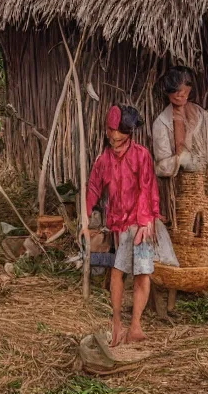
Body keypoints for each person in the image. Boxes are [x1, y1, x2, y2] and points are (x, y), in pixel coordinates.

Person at [86, 105, 160, 346]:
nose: (114, 137)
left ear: (129, 133)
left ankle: (135, 325)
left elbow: (148, 189)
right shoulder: (104, 159)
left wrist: (144, 223)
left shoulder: (142, 155)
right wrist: (85, 219)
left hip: (142, 223)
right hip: (120, 223)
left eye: (119, 132)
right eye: (111, 131)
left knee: (142, 273)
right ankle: (117, 322)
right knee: (118, 272)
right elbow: (94, 187)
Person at [150, 67, 208, 316]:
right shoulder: (161, 123)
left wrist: (202, 168)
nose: (180, 94)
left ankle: (191, 285)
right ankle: (165, 298)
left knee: (199, 234)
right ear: (167, 93)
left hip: (202, 189)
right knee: (174, 239)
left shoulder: (202, 116)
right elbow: (161, 164)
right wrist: (181, 160)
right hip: (175, 192)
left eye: (184, 88)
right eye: (175, 90)